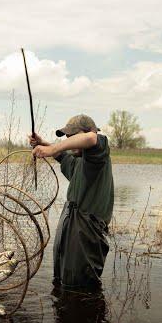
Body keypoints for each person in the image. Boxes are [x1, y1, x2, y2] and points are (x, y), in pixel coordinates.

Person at [29, 114, 114, 288]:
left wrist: (52, 149)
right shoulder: (78, 162)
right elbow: (62, 155)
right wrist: (43, 143)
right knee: (62, 284)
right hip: (71, 226)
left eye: (72, 136)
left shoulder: (98, 157)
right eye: (67, 137)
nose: (69, 139)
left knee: (81, 287)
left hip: (86, 233)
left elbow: (91, 138)